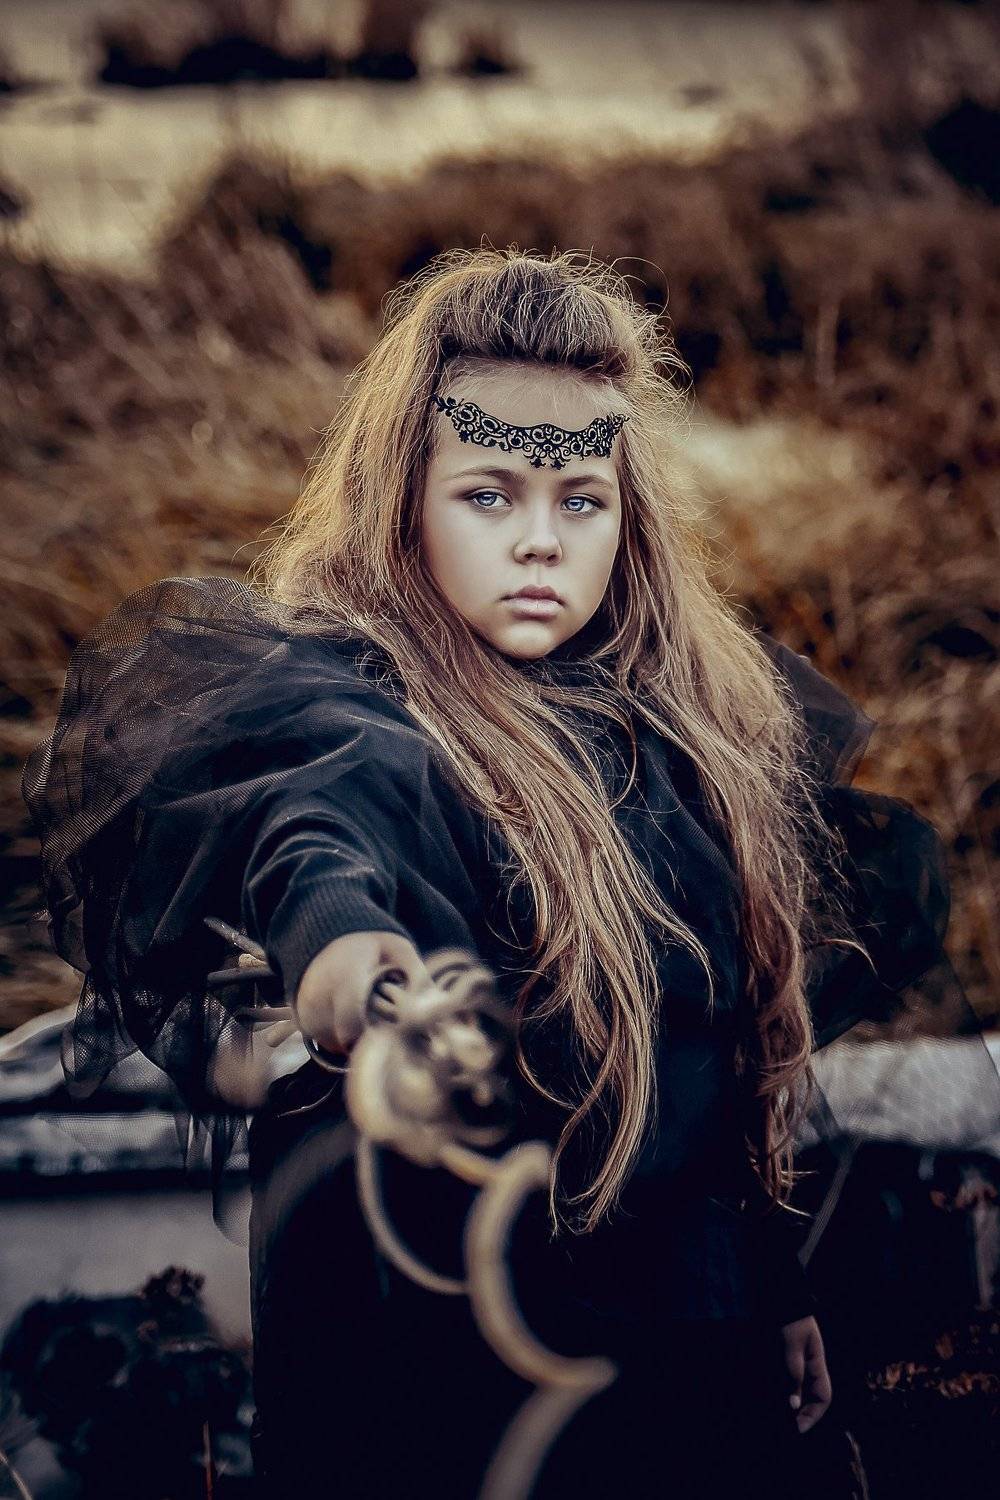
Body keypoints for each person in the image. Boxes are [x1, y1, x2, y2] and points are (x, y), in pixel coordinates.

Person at [22, 248, 996, 1498]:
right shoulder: (345, 703)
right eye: (488, 495)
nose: (541, 543)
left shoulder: (684, 728)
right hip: (449, 1359)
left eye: (580, 501)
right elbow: (309, 836)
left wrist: (774, 1283)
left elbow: (716, 1052)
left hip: (690, 1333)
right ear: (405, 500)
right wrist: (352, 963)